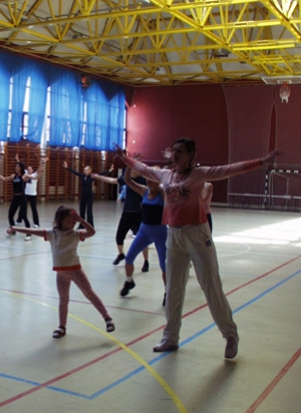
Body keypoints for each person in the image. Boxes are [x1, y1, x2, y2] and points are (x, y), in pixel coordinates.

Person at [115, 138, 279, 359]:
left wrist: (261, 162)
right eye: (174, 150)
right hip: (174, 235)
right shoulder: (166, 175)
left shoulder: (200, 174)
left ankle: (230, 334)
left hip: (197, 235)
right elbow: (143, 168)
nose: (175, 155)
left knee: (211, 286)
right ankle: (171, 337)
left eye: (180, 152)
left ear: (191, 155)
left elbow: (230, 169)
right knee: (173, 288)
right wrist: (124, 157)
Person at [11, 206, 115, 338]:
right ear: (61, 219)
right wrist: (15, 228)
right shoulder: (52, 234)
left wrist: (81, 220)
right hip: (61, 274)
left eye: (75, 218)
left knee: (89, 293)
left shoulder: (75, 234)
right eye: (71, 218)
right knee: (63, 299)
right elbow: (33, 231)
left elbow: (91, 232)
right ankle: (62, 327)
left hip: (75, 270)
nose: (74, 221)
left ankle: (107, 318)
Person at [118, 166, 167, 305]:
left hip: (160, 233)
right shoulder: (144, 191)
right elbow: (128, 180)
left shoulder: (163, 194)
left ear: (158, 181)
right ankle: (129, 282)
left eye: (152, 180)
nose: (149, 183)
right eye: (148, 180)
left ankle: (167, 292)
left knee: (164, 265)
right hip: (144, 231)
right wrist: (129, 166)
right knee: (129, 258)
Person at [92, 164, 149, 268]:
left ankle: (146, 261)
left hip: (138, 213)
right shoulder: (127, 179)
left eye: (133, 170)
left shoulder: (144, 180)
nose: (131, 171)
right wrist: (98, 177)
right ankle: (121, 254)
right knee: (119, 236)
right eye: (130, 170)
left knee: (142, 238)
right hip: (126, 213)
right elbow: (112, 180)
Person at [0, 161, 32, 240]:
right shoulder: (13, 176)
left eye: (18, 166)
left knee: (24, 216)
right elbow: (4, 179)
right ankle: (13, 231)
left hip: (22, 198)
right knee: (10, 215)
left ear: (21, 168)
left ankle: (29, 234)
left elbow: (35, 177)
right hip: (15, 197)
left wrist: (40, 170)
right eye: (15, 166)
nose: (16, 168)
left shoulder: (24, 176)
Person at [62, 161, 95, 227]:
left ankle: (90, 225)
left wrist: (109, 171)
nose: (85, 171)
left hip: (89, 196)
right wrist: (67, 167)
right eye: (84, 170)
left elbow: (101, 174)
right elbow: (75, 172)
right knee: (82, 210)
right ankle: (82, 224)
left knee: (89, 211)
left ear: (90, 171)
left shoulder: (92, 176)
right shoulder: (82, 176)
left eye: (86, 170)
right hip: (83, 195)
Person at [23, 156, 47, 228]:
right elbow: (21, 168)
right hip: (26, 195)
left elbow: (39, 170)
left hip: (33, 195)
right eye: (27, 169)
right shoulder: (26, 174)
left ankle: (36, 223)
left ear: (32, 170)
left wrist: (42, 163)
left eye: (30, 169)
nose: (28, 170)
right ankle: (19, 220)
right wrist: (17, 159)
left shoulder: (34, 175)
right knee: (23, 208)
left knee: (34, 209)